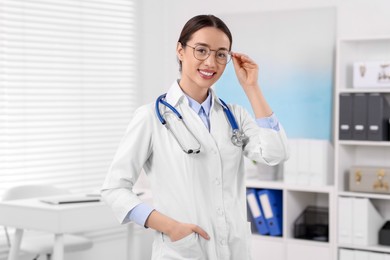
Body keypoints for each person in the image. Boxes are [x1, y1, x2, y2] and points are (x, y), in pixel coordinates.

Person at [101, 14, 289, 260]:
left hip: (234, 250)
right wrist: (170, 227)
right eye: (201, 50)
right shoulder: (151, 117)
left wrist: (252, 88)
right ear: (180, 50)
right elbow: (114, 189)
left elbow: (276, 154)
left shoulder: (235, 116)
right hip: (184, 250)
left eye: (221, 54)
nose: (211, 62)